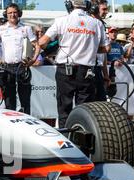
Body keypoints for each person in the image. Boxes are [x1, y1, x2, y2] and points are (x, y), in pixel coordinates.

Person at [38, 0, 110, 128]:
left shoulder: (61, 20)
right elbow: (106, 48)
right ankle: (83, 139)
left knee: (64, 108)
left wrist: (59, 46)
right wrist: (90, 48)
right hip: (87, 71)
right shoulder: (97, 23)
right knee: (85, 109)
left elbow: (42, 42)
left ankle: (66, 140)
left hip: (65, 69)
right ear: (88, 6)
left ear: (69, 5)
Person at [0, 3, 41, 114]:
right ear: (6, 15)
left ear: (19, 13)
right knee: (9, 101)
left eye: (15, 12)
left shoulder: (26, 28)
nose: (13, 15)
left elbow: (37, 45)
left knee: (25, 100)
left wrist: (33, 59)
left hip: (22, 67)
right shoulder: (1, 29)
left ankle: (26, 126)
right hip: (7, 68)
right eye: (10, 13)